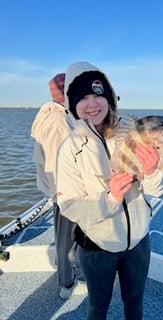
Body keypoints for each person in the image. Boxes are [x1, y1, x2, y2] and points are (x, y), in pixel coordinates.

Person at [56, 61, 163, 320]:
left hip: (139, 240)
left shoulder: (132, 135)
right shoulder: (69, 148)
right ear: (72, 104)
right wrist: (110, 200)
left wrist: (153, 170)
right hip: (97, 248)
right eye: (83, 98)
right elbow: (69, 204)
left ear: (109, 97)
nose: (92, 104)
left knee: (135, 299)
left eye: (98, 95)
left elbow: (155, 189)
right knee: (98, 306)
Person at [31, 73, 84, 299]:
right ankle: (67, 283)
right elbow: (54, 164)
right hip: (67, 192)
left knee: (66, 237)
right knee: (67, 240)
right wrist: (64, 194)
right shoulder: (58, 122)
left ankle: (66, 271)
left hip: (64, 190)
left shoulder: (57, 115)